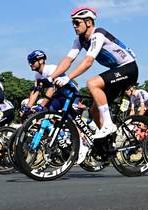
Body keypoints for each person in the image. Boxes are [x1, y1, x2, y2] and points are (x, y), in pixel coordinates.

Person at [49, 6, 138, 139]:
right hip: (115, 71)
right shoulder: (79, 40)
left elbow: (88, 62)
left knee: (92, 83)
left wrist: (68, 77)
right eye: (72, 23)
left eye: (77, 22)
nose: (74, 26)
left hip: (129, 68)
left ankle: (108, 124)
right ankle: (106, 142)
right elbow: (68, 60)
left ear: (89, 22)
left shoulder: (98, 34)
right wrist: (51, 77)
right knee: (94, 110)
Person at [23, 49, 88, 164]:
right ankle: (59, 137)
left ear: (41, 60)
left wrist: (41, 105)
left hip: (70, 94)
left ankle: (82, 145)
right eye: (30, 62)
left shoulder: (51, 69)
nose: (30, 64)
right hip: (59, 96)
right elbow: (35, 91)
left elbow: (51, 89)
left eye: (33, 61)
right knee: (47, 114)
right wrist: (27, 107)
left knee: (71, 119)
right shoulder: (38, 74)